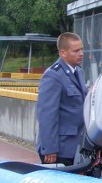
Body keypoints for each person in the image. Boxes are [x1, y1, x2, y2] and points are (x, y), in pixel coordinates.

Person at [36, 32, 87, 165]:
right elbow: (47, 115)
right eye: (76, 51)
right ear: (63, 53)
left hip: (75, 146)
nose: (81, 53)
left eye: (81, 49)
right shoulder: (53, 75)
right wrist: (50, 148)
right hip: (59, 149)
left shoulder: (78, 72)